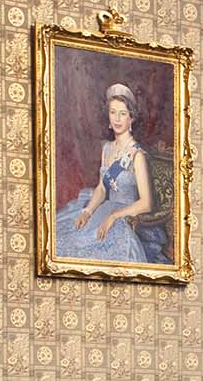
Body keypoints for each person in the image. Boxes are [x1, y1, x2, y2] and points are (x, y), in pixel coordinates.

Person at [54, 84, 161, 263]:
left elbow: (146, 203)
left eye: (123, 113)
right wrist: (87, 212)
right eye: (113, 112)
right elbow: (102, 188)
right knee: (62, 240)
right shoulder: (107, 149)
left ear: (131, 118)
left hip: (123, 217)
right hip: (102, 210)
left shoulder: (137, 155)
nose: (117, 119)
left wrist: (114, 216)